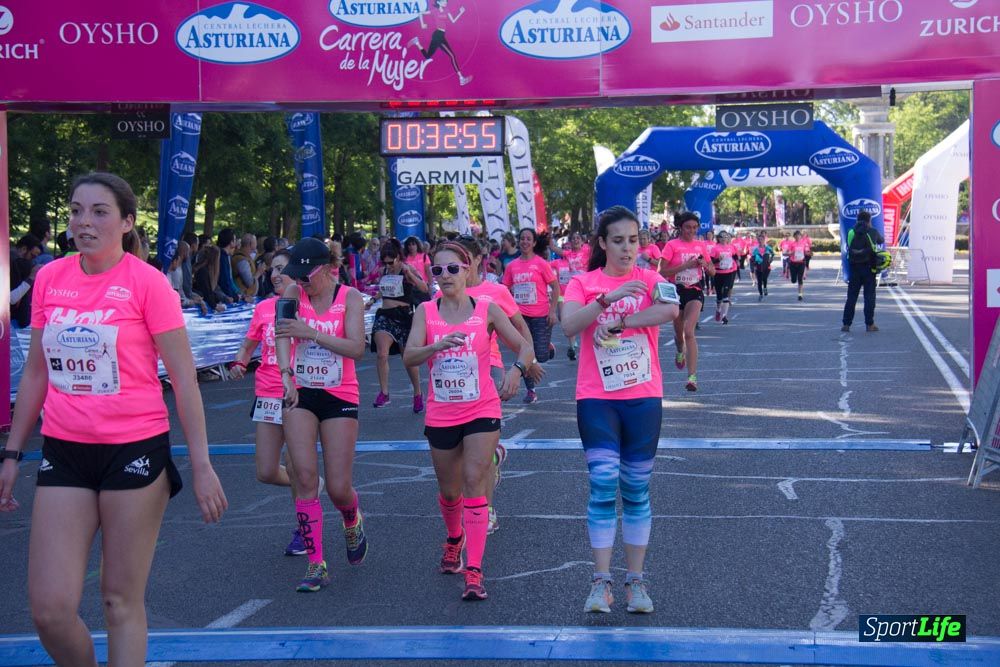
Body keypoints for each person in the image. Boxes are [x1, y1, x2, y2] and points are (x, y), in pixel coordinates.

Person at [0, 172, 227, 666]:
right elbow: (37, 372)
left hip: (134, 452)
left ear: (126, 222)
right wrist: (12, 454)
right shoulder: (50, 278)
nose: (84, 222)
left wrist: (203, 465)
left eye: (99, 212)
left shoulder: (148, 284)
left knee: (118, 601)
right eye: (76, 211)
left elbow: (185, 380)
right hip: (65, 451)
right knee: (49, 610)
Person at [560, 206, 678, 614]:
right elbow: (569, 325)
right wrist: (606, 300)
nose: (628, 249)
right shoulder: (582, 282)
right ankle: (601, 583)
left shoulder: (650, 278)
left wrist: (624, 322)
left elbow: (671, 310)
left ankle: (636, 583)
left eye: (633, 240)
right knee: (602, 484)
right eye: (618, 241)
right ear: (602, 243)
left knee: (636, 489)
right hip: (597, 398)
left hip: (643, 397)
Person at [403, 242, 533, 601]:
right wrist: (435, 346)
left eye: (452, 269)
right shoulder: (426, 311)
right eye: (437, 270)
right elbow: (409, 356)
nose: (445, 276)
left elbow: (524, 346)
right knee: (450, 490)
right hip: (442, 411)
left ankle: (474, 569)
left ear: (467, 269)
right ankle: (454, 537)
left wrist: (516, 371)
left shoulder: (486, 309)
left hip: (482, 408)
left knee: (475, 479)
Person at [275, 238, 369, 592]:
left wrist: (312, 333)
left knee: (338, 487)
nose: (301, 282)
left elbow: (357, 348)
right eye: (296, 276)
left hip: (339, 394)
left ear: (328, 268)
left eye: (306, 275)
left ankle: (351, 517)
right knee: (303, 475)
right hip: (301, 392)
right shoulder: (292, 295)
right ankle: (316, 563)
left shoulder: (350, 298)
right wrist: (286, 375)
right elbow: (282, 334)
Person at [456, 235, 543, 535]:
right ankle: (494, 455)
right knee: (461, 451)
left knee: (482, 447)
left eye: (464, 261)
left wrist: (528, 362)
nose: (457, 268)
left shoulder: (495, 291)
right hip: (453, 375)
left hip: (488, 367)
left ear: (478, 259)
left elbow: (519, 327)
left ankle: (487, 509)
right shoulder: (443, 291)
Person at [231, 249, 309, 556]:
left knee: (295, 463)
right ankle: (310, 484)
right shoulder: (264, 308)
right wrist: (240, 362)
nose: (274, 275)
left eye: (280, 269)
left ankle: (304, 527)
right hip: (267, 393)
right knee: (265, 470)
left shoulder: (307, 304)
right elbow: (249, 344)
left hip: (299, 393)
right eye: (271, 269)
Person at [502, 228, 559, 403]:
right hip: (520, 316)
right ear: (518, 241)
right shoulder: (512, 266)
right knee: (525, 353)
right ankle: (531, 391)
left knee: (540, 356)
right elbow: (504, 289)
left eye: (528, 239)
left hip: (541, 314)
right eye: (522, 238)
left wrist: (552, 311)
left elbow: (555, 287)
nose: (525, 242)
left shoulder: (541, 263)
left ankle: (547, 347)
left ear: (534, 243)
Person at [660, 212, 714, 392]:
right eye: (688, 227)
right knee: (679, 334)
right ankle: (679, 351)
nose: (691, 231)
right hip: (675, 291)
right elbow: (661, 271)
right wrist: (686, 266)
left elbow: (712, 271)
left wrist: (705, 265)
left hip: (694, 290)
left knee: (689, 331)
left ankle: (692, 377)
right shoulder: (672, 245)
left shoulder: (701, 245)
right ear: (681, 228)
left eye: (695, 228)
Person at [372, 238, 428, 411]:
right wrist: (373, 300)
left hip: (403, 316)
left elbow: (424, 288)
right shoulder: (384, 271)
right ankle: (384, 392)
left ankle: (417, 393)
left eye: (391, 261)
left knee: (408, 359)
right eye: (385, 262)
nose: (388, 265)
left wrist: (411, 276)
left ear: (398, 257)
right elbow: (384, 290)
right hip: (385, 315)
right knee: (382, 354)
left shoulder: (407, 269)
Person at [409, 0, 473, 86]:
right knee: (452, 56)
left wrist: (460, 13)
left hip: (440, 35)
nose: (446, 2)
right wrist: (422, 24)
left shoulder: (446, 10)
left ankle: (417, 42)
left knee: (427, 56)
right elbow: (420, 13)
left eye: (446, 1)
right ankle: (461, 78)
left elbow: (453, 20)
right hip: (438, 35)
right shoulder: (434, 11)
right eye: (443, 1)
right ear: (438, 2)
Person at [842, 211, 884, 333]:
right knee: (869, 297)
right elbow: (881, 241)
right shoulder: (873, 231)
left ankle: (846, 324)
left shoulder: (851, 232)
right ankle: (870, 324)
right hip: (869, 269)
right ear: (869, 220)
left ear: (857, 220)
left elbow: (848, 246)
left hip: (854, 268)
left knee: (851, 297)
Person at [710, 231, 739, 324]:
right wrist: (718, 259)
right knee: (719, 296)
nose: (724, 239)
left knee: (726, 294)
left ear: (727, 238)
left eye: (725, 237)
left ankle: (724, 316)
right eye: (722, 237)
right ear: (718, 238)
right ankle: (718, 310)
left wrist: (737, 261)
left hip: (729, 272)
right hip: (718, 273)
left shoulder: (730, 247)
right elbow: (710, 261)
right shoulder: (715, 248)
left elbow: (735, 255)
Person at [192, 245, 231, 313]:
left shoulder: (204, 271)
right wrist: (214, 305)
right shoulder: (202, 272)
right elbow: (206, 292)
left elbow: (211, 290)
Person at [232, 233, 261, 300]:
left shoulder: (246, 257)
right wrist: (259, 273)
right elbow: (249, 282)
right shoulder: (241, 260)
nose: (257, 244)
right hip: (242, 297)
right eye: (255, 242)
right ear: (250, 244)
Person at [750, 233, 775, 301]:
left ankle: (765, 287)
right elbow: (752, 258)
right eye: (759, 239)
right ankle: (760, 294)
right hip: (758, 267)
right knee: (759, 281)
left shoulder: (768, 248)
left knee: (764, 279)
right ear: (757, 240)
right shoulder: (755, 249)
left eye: (761, 239)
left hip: (766, 267)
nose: (760, 241)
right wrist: (754, 264)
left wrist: (770, 260)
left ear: (764, 240)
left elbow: (773, 254)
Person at [788, 231, 810, 301]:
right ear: (794, 237)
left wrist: (809, 253)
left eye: (799, 236)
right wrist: (791, 253)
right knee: (794, 280)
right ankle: (793, 278)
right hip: (793, 263)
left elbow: (806, 252)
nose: (797, 237)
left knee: (800, 279)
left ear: (801, 236)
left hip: (801, 263)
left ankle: (800, 294)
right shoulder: (792, 244)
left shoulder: (804, 244)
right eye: (796, 236)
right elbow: (788, 252)